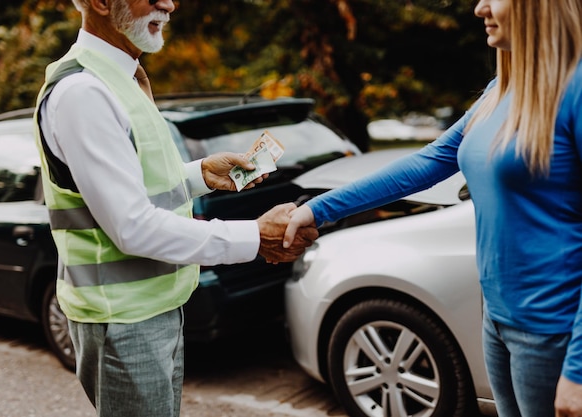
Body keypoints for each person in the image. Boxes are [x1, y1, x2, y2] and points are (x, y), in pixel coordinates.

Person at [284, 0, 582, 416]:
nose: (480, 8)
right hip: (497, 319)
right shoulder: (501, 91)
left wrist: (578, 368)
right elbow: (425, 163)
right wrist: (318, 210)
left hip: (554, 330)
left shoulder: (576, 90)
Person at [32, 0, 318, 416]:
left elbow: (136, 188)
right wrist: (255, 236)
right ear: (101, 3)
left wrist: (202, 173)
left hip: (154, 309)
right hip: (124, 321)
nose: (170, 3)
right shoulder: (84, 93)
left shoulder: (117, 78)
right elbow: (132, 226)